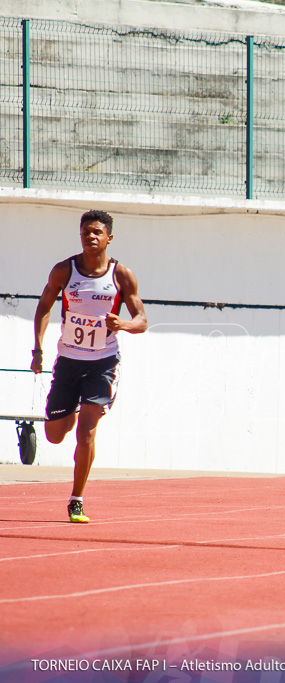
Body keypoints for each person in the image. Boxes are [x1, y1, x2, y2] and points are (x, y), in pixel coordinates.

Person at [31, 210, 148, 523]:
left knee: (87, 433)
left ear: (109, 237)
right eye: (86, 232)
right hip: (68, 362)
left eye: (97, 232)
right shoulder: (64, 271)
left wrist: (122, 323)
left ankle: (76, 499)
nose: (91, 237)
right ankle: (71, 410)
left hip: (102, 363)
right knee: (56, 434)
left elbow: (142, 320)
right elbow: (43, 307)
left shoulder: (121, 275)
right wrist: (38, 348)